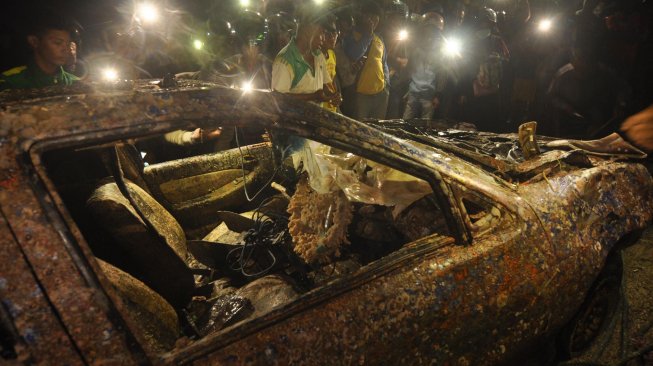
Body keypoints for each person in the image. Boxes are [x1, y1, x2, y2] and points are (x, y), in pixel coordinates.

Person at [271, 7, 341, 106]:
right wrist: (313, 96)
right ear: (308, 29)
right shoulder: (285, 60)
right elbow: (278, 98)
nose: (324, 38)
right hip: (292, 120)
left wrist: (332, 96)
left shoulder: (318, 55)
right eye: (322, 32)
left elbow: (325, 84)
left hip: (314, 119)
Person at [0, 14, 79, 90]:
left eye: (68, 44)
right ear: (34, 42)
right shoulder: (10, 82)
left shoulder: (76, 83)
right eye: (58, 43)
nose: (66, 49)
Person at [342, 2, 390, 120]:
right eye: (370, 18)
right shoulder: (351, 36)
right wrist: (368, 35)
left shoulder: (379, 39)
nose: (373, 22)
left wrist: (387, 85)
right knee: (358, 128)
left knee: (377, 129)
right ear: (363, 17)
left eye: (376, 18)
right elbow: (354, 54)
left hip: (380, 93)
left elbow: (384, 63)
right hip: (360, 94)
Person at [403, 13, 455, 120]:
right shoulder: (416, 48)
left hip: (429, 96)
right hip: (413, 92)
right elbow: (410, 70)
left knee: (424, 126)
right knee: (406, 121)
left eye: (434, 30)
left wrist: (438, 96)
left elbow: (442, 75)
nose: (430, 33)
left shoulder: (441, 52)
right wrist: (407, 90)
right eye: (428, 29)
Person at [319, 16, 340, 112]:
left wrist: (336, 94)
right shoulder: (314, 57)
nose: (332, 37)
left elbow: (332, 78)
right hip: (320, 106)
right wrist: (331, 96)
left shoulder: (332, 54)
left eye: (334, 33)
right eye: (327, 33)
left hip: (331, 105)